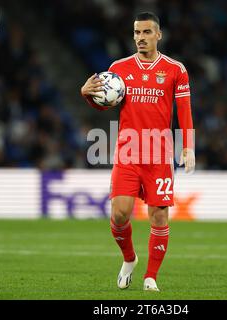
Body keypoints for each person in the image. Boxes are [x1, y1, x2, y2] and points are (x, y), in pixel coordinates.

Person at [81, 12, 195, 291]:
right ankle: (129, 258)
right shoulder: (118, 68)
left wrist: (188, 147)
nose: (140, 38)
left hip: (159, 155)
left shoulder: (175, 69)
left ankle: (150, 277)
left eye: (146, 32)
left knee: (159, 216)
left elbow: (184, 111)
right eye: (136, 33)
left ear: (158, 35)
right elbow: (105, 103)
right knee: (120, 213)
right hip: (128, 152)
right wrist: (87, 94)